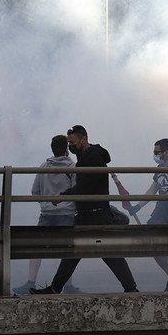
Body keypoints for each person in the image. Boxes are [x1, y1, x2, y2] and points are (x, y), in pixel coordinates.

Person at [31, 125, 139, 294]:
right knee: (76, 252)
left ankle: (131, 288)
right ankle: (55, 288)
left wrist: (62, 196)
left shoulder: (92, 157)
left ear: (84, 139)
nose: (70, 146)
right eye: (69, 143)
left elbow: (84, 186)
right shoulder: (86, 157)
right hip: (88, 212)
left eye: (73, 142)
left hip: (96, 213)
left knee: (103, 252)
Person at [13, 134, 79, 295]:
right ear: (66, 149)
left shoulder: (44, 166)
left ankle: (31, 282)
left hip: (47, 213)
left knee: (38, 247)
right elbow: (77, 191)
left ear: (52, 149)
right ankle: (68, 285)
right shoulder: (72, 167)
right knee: (67, 249)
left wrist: (45, 204)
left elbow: (35, 191)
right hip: (67, 213)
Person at [127, 138, 168, 291]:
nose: (154, 155)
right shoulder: (159, 168)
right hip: (160, 210)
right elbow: (153, 190)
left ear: (166, 152)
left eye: (157, 152)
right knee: (153, 245)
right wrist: (138, 206)